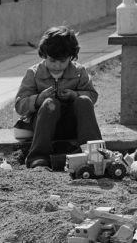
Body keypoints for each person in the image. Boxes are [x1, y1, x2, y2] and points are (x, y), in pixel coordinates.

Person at [15, 26, 103, 168]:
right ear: (44, 54)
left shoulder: (79, 72)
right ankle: (38, 157)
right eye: (53, 60)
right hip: (43, 125)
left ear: (71, 57)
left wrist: (75, 95)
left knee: (84, 100)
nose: (57, 66)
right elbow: (20, 105)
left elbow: (92, 96)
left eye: (63, 61)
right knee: (51, 103)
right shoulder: (34, 73)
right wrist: (39, 99)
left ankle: (95, 152)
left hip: (71, 125)